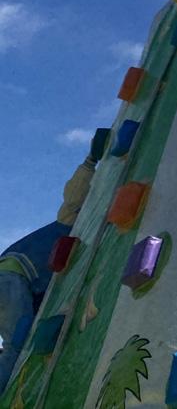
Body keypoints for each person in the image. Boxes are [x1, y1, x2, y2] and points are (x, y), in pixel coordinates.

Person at [0, 150, 98, 392]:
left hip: (13, 277)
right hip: (14, 276)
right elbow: (74, 196)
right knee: (17, 344)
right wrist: (90, 162)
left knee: (15, 341)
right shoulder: (72, 221)